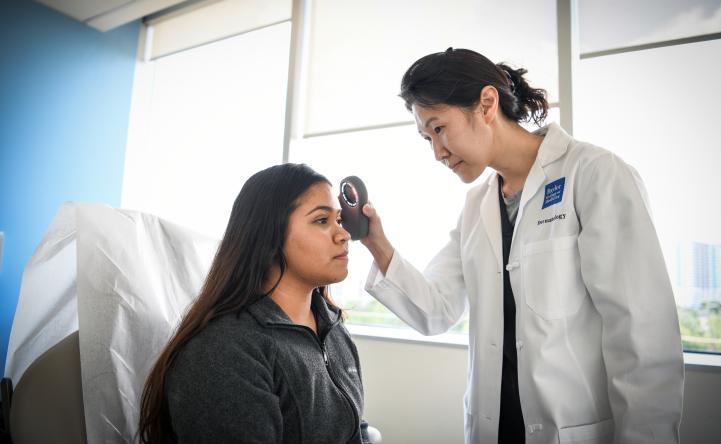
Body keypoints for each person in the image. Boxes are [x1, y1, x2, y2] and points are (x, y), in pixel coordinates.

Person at [359, 48, 684, 444]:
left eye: (439, 128)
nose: (437, 153)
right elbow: (437, 310)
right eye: (427, 138)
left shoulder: (594, 174)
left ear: (487, 103)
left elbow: (641, 333)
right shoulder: (477, 206)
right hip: (495, 429)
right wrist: (376, 242)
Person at [138, 163, 371, 443]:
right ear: (270, 236)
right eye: (322, 221)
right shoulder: (223, 352)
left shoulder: (334, 331)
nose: (343, 235)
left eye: (340, 220)